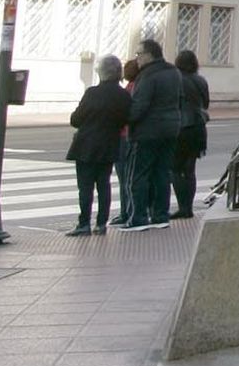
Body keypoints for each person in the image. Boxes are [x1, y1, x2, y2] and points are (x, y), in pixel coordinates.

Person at [123, 37, 184, 229]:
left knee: (139, 175)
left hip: (147, 131)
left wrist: (126, 119)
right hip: (171, 129)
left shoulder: (147, 75)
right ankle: (160, 216)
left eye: (139, 54)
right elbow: (180, 99)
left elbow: (140, 105)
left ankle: (138, 218)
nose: (137, 59)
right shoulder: (173, 72)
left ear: (149, 55)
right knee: (162, 173)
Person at [66, 56, 130, 235]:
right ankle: (101, 223)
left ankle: (84, 223)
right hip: (109, 143)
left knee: (85, 186)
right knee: (104, 184)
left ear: (101, 72)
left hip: (86, 144)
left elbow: (76, 119)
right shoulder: (123, 95)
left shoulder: (92, 92)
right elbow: (126, 118)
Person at [171, 49, 211, 219]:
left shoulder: (176, 79)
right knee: (190, 169)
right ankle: (188, 207)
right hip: (198, 127)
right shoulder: (201, 80)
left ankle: (183, 207)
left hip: (182, 127)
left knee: (175, 168)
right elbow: (206, 103)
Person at [113, 57, 141, 224]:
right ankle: (130, 211)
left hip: (124, 136)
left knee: (124, 177)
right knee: (131, 176)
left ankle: (126, 212)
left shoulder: (129, 89)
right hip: (134, 136)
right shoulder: (139, 87)